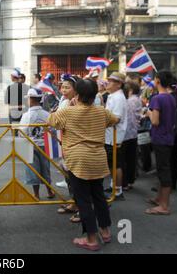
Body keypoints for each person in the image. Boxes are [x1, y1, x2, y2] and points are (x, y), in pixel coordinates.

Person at [49, 79, 119, 251]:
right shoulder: (101, 111)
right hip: (97, 159)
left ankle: (91, 239)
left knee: (83, 200)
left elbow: (52, 120)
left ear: (77, 94)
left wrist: (70, 106)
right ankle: (105, 231)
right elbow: (115, 119)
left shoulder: (69, 112)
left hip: (78, 160)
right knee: (99, 197)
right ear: (95, 95)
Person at [145, 70, 176, 216]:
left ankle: (164, 206)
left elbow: (155, 121)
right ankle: (160, 199)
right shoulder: (170, 97)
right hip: (168, 136)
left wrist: (149, 112)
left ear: (157, 81)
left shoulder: (157, 98)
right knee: (162, 168)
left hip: (160, 138)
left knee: (163, 170)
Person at [19, 88, 55, 200]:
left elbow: (22, 132)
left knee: (33, 169)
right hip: (45, 144)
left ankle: (36, 194)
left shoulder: (26, 116)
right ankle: (49, 191)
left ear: (30, 99)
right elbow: (52, 129)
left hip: (31, 144)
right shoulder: (46, 114)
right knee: (46, 168)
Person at [55, 74, 81, 222]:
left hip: (73, 144)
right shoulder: (64, 101)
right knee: (69, 175)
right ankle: (74, 202)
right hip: (65, 142)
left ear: (75, 89)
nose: (63, 89)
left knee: (76, 177)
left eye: (67, 87)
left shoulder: (75, 103)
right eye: (62, 87)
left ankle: (81, 208)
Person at [104, 72, 128, 201]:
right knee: (112, 163)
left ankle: (118, 191)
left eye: (112, 81)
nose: (108, 82)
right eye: (108, 80)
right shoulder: (113, 96)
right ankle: (114, 186)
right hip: (109, 135)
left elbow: (116, 119)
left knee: (116, 164)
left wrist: (102, 122)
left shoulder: (118, 98)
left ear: (119, 84)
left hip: (115, 136)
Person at [123, 82, 142, 191]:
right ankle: (130, 181)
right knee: (131, 159)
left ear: (130, 90)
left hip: (128, 134)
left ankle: (126, 182)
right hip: (134, 132)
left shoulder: (130, 101)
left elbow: (128, 119)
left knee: (126, 159)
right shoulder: (137, 99)